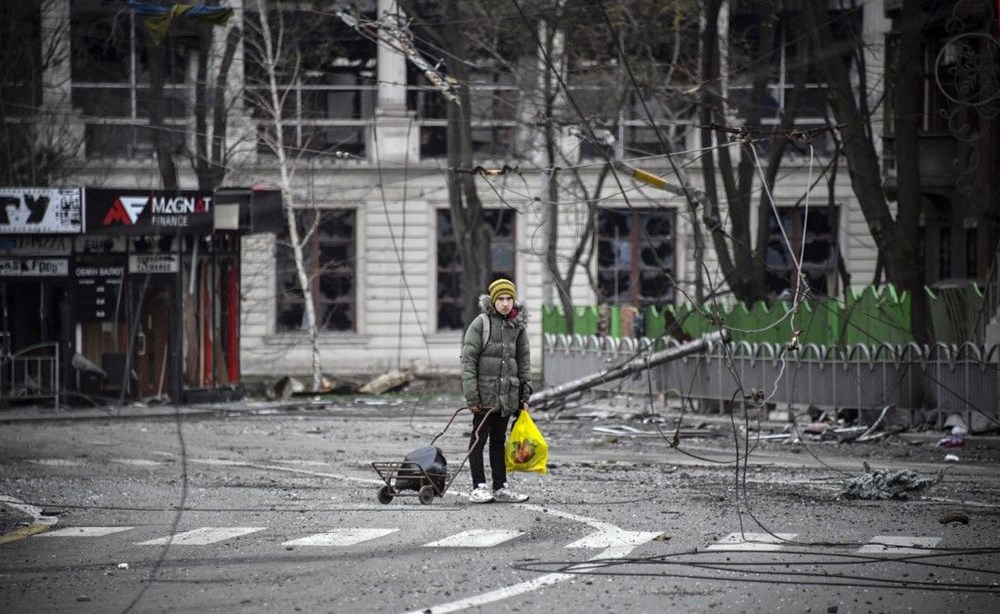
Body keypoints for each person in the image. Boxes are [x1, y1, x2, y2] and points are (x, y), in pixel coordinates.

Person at [461, 278, 531, 503]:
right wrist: (472, 396)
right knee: (478, 439)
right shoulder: (481, 324)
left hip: (507, 396)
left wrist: (524, 395)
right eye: (500, 298)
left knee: (499, 441)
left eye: (509, 298)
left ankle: (500, 487)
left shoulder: (517, 327)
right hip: (484, 395)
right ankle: (478, 486)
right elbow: (468, 362)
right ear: (493, 300)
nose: (505, 303)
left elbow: (524, 362)